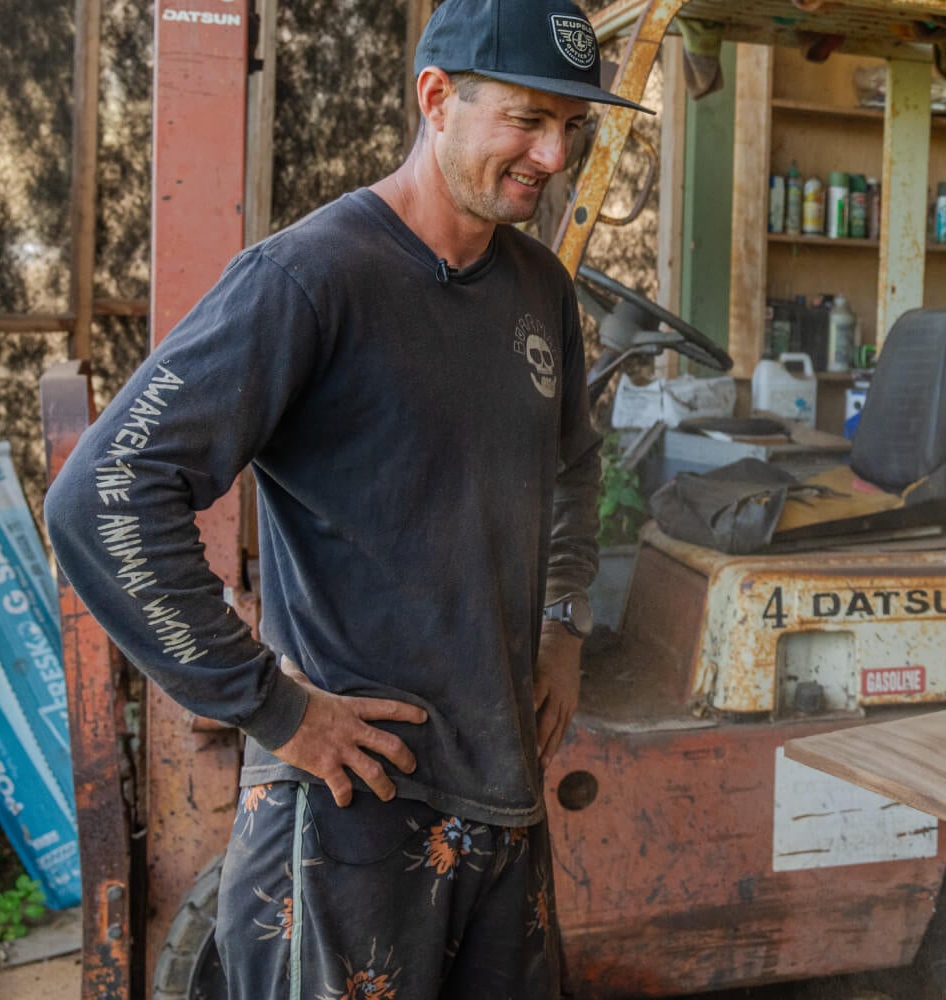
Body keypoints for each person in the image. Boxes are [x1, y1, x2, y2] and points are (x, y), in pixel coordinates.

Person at [43, 0, 643, 993]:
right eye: (529, 119)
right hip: (350, 810)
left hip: (502, 791)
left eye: (572, 126)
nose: (555, 153)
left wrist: (565, 622)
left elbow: (574, 460)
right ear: (437, 98)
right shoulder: (311, 279)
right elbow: (105, 493)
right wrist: (273, 706)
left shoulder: (540, 290)